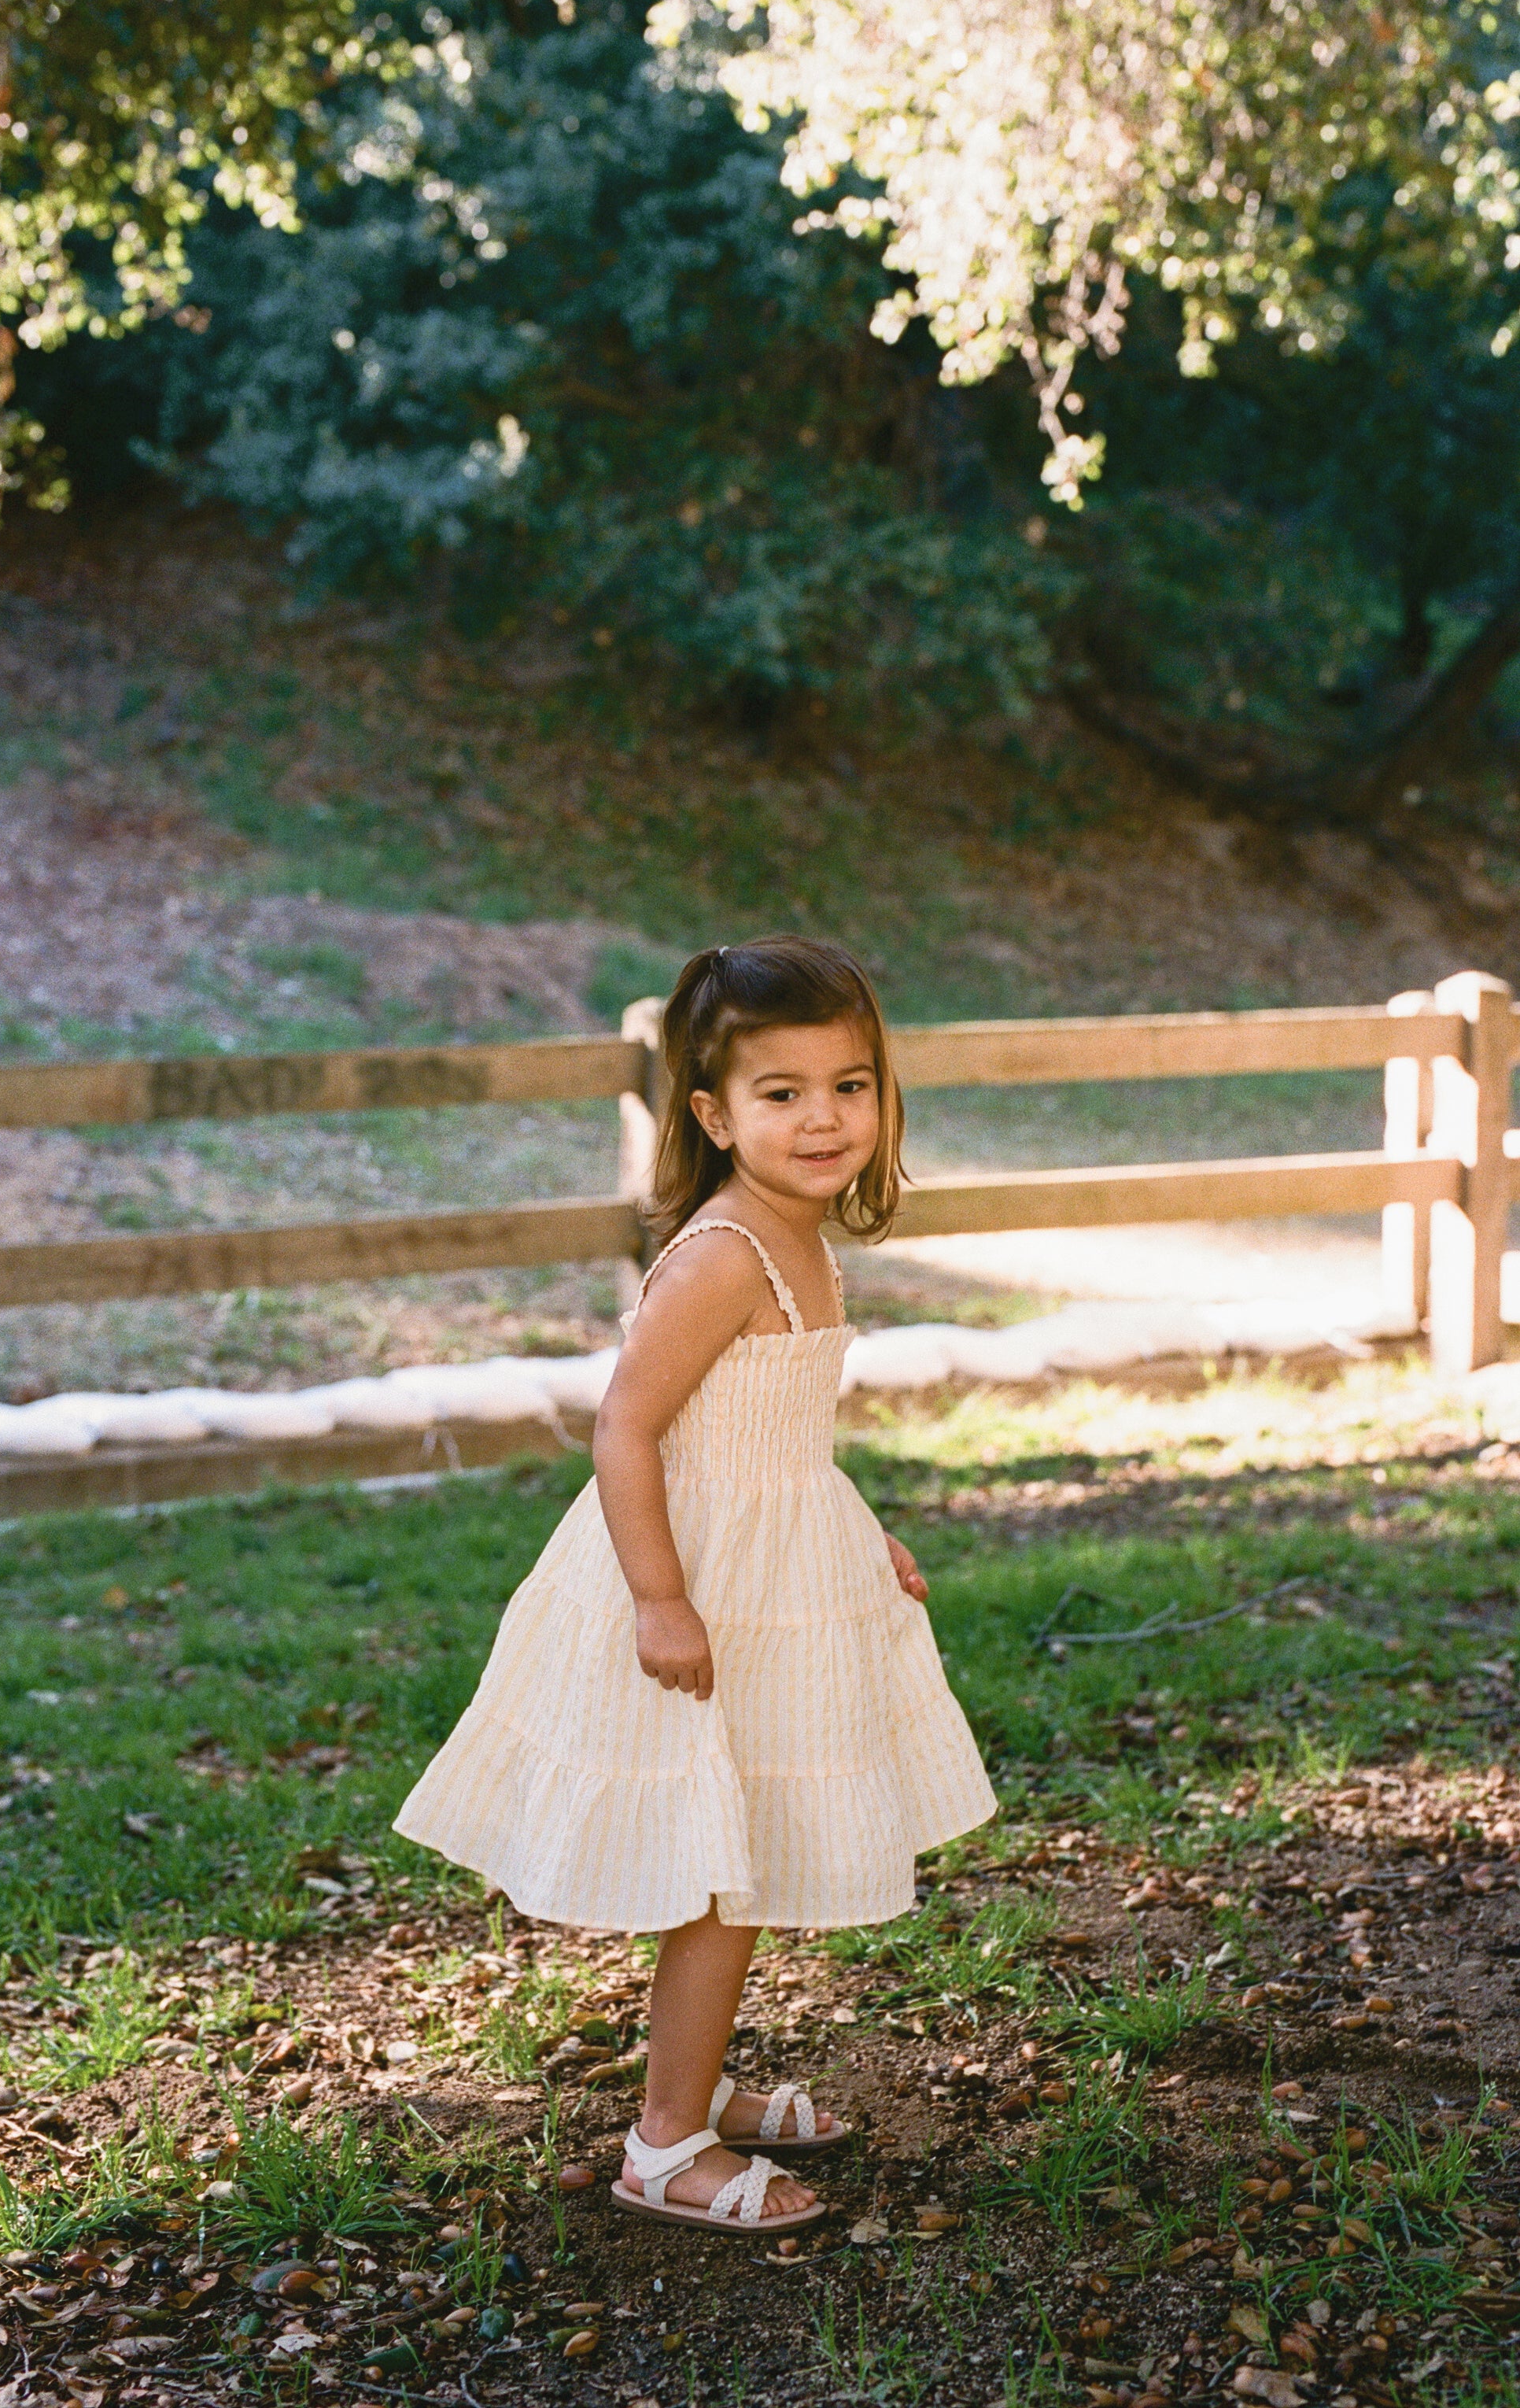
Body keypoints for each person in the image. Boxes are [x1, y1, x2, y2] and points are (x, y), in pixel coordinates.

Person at [394, 936, 994, 2233]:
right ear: (716, 1115)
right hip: (695, 1586)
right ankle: (663, 2147)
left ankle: (694, 2081)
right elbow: (627, 1427)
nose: (824, 1116)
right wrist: (662, 1601)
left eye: (850, 1083)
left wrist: (861, 1533)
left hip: (776, 1572)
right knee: (722, 1868)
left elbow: (773, 1435)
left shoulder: (802, 1231)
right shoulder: (726, 1252)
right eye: (781, 1093)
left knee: (749, 1848)